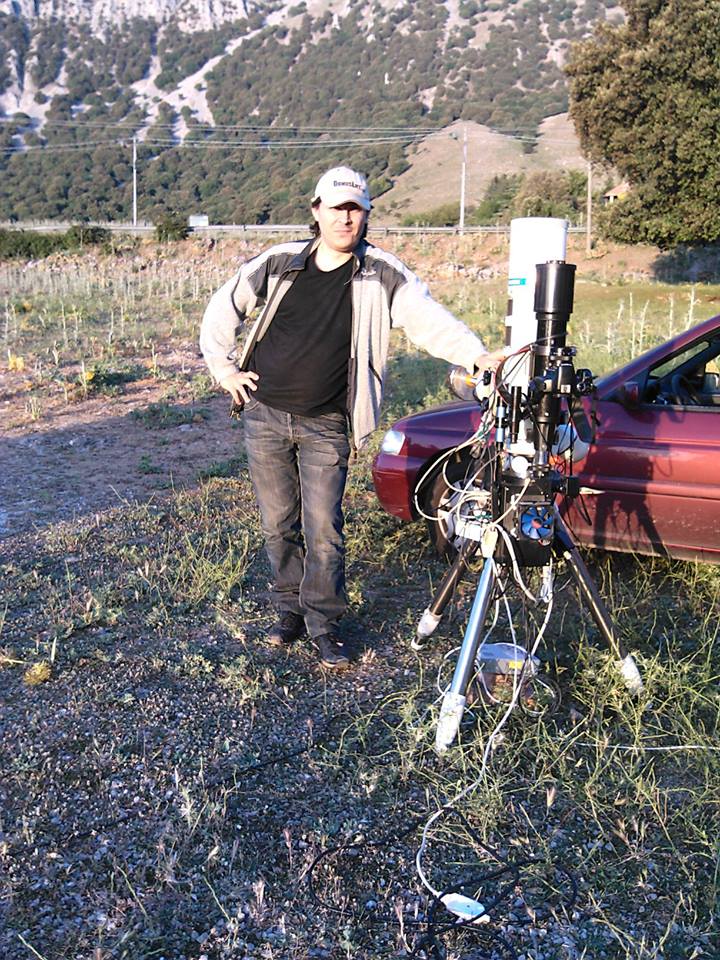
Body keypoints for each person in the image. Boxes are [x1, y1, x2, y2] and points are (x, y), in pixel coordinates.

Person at [200, 166, 505, 669]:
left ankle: (323, 624)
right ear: (316, 211)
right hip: (266, 414)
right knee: (278, 524)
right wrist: (224, 369)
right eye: (336, 208)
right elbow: (223, 307)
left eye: (355, 209)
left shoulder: (380, 271)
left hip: (327, 423)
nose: (345, 218)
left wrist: (474, 355)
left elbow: (426, 317)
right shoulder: (280, 263)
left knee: (324, 529)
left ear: (365, 215)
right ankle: (288, 613)